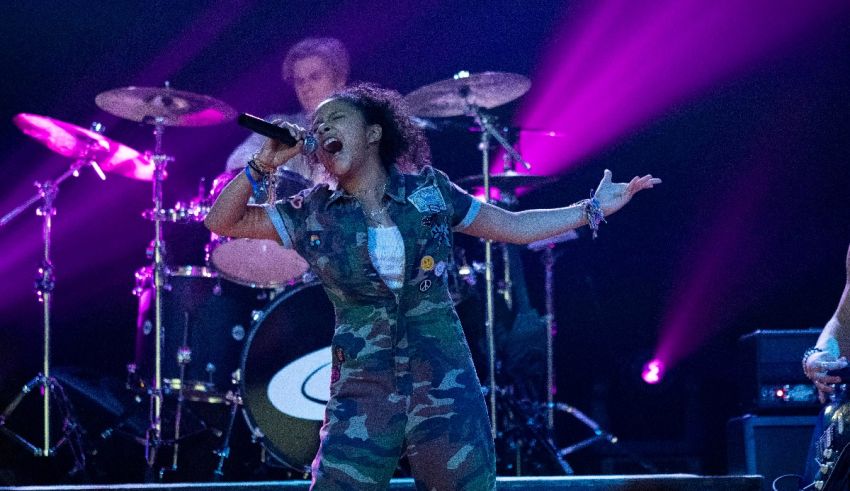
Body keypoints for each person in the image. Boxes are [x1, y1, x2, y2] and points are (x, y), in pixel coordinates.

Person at [205, 82, 661, 490]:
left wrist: (590, 208)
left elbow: (515, 227)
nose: (323, 127)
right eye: (317, 126)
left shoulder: (430, 191)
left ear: (373, 133)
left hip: (442, 376)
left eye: (336, 118)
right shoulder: (312, 210)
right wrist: (261, 164)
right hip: (363, 385)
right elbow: (220, 220)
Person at [225, 37, 349, 185]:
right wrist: (280, 170)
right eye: (300, 81)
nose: (306, 87)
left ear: (340, 80)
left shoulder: (361, 127)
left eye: (315, 77)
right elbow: (235, 162)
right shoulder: (281, 125)